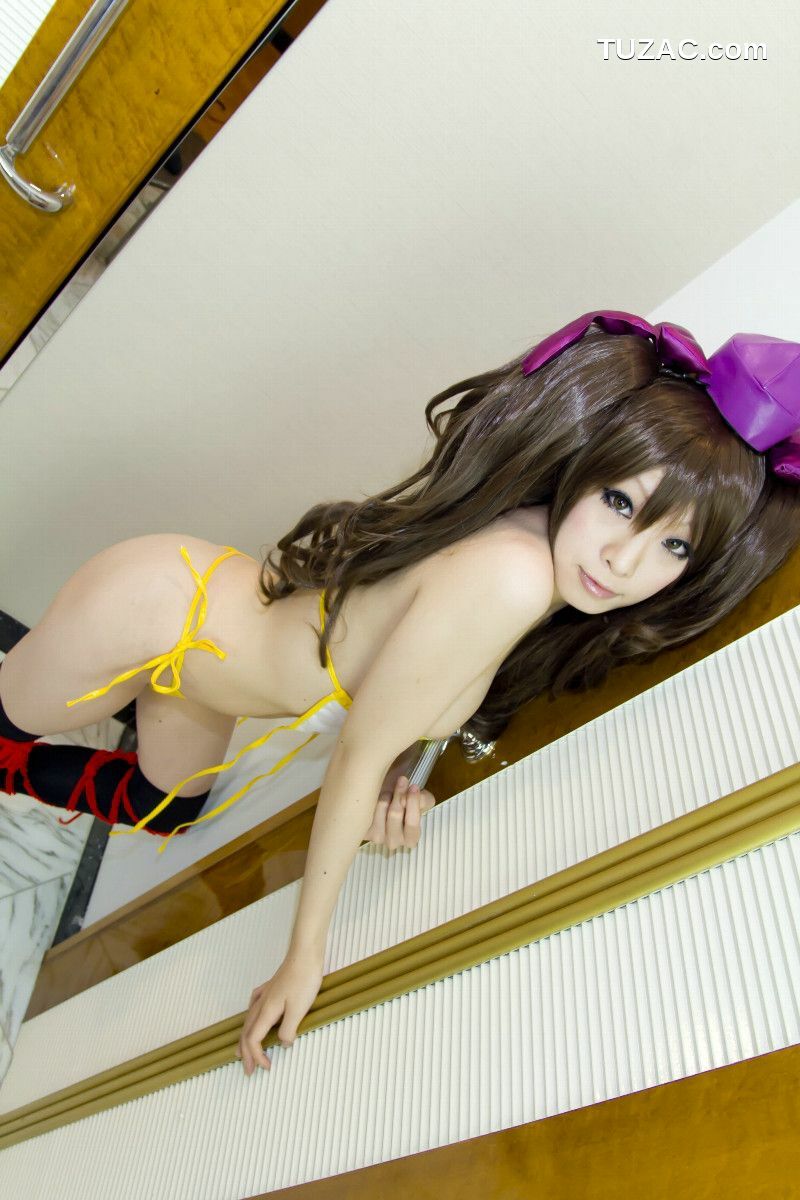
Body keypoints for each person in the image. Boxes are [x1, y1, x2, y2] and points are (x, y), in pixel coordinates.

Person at [1, 309, 798, 1077]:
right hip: (151, 612)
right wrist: (304, 956)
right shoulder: (516, 576)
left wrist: (403, 776)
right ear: (580, 475)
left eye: (674, 546)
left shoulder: (540, 573)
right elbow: (356, 754)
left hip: (203, 680)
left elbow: (406, 686)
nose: (624, 560)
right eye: (619, 503)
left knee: (166, 806)